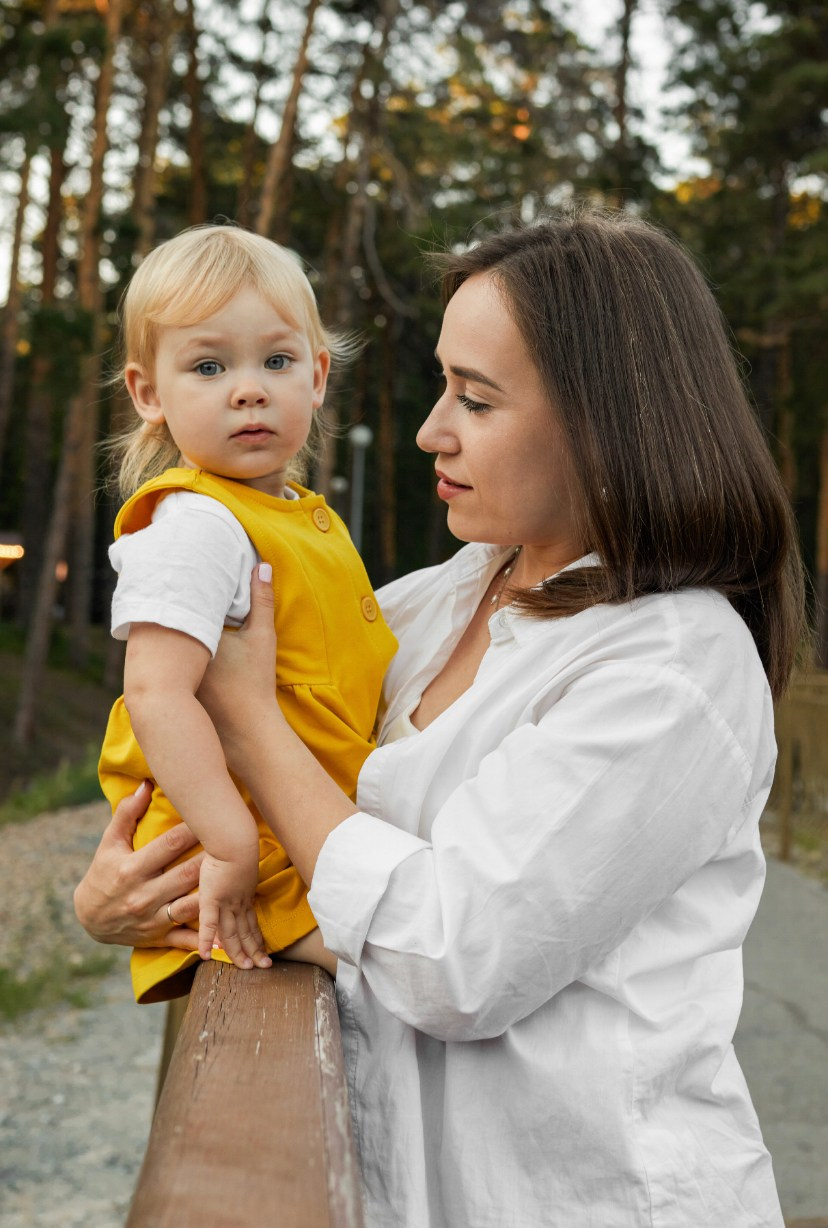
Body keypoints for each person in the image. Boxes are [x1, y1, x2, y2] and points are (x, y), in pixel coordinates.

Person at [77, 207, 804, 1227]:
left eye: (477, 397)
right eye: (441, 384)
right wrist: (123, 904)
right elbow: (265, 829)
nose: (432, 430)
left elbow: (453, 959)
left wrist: (246, 718)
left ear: (603, 420)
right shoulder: (433, 602)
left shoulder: (673, 664)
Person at [96, 223, 396, 1003]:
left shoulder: (295, 515)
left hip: (299, 838)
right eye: (209, 366)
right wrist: (228, 844)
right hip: (248, 856)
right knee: (406, 973)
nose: (249, 389)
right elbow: (156, 692)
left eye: (277, 361)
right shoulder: (196, 524)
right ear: (148, 394)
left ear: (318, 375)